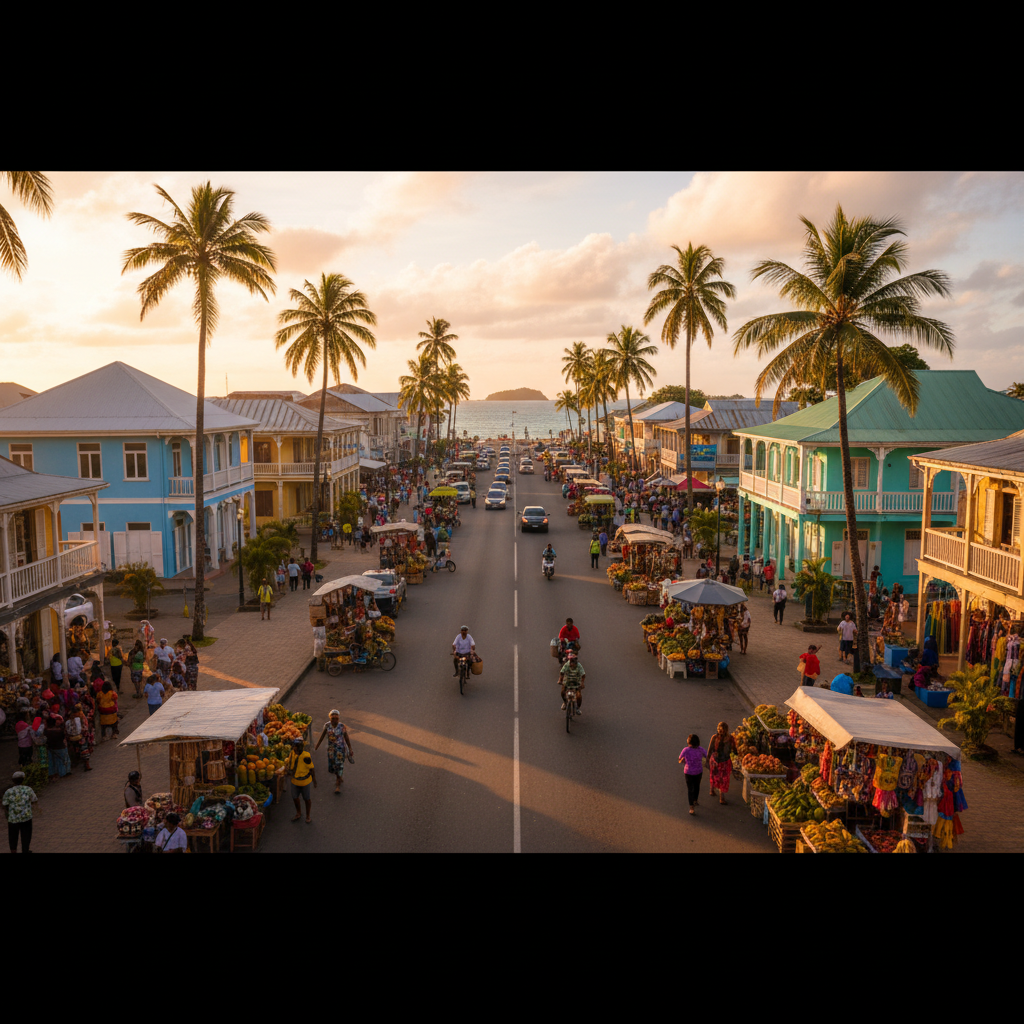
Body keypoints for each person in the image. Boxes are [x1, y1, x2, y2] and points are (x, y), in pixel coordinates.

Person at [315, 710, 355, 794]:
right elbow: (322, 736)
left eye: (336, 718)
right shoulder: (327, 725)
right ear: (330, 718)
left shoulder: (342, 726)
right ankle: (339, 776)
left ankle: (337, 785)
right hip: (331, 750)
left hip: (340, 750)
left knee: (339, 765)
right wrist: (317, 745)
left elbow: (346, 737)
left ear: (338, 718)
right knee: (332, 767)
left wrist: (350, 748)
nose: (335, 720)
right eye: (333, 718)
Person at [3, 771, 38, 854]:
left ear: (13, 781)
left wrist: (8, 813)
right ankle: (25, 850)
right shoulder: (28, 789)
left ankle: (13, 850)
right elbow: (34, 799)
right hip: (26, 816)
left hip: (13, 818)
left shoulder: (9, 791)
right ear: (23, 779)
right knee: (26, 834)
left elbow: (5, 804)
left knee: (13, 836)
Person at [288, 737, 317, 823]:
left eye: (297, 746)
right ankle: (298, 813)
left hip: (305, 782)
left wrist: (314, 781)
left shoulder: (306, 756)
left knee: (306, 799)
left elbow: (312, 769)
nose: (295, 748)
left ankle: (308, 816)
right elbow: (290, 764)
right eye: (294, 746)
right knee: (295, 798)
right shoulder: (292, 753)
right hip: (294, 781)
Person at [707, 722, 736, 805]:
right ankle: (712, 790)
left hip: (725, 761)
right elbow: (710, 748)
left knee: (723, 779)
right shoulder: (714, 737)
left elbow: (734, 749)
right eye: (719, 730)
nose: (720, 732)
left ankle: (721, 797)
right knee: (714, 776)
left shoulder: (730, 739)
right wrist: (708, 758)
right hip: (715, 761)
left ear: (726, 731)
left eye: (722, 730)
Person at [678, 734, 707, 815]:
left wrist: (683, 760)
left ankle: (691, 807)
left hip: (688, 773)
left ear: (689, 742)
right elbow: (707, 756)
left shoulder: (686, 750)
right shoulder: (701, 749)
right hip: (698, 772)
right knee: (697, 786)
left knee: (690, 789)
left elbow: (679, 759)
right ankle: (695, 800)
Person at [65, 704, 93, 771]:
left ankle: (81, 763)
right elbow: (85, 728)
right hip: (81, 737)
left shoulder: (69, 720)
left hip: (73, 738)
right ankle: (86, 764)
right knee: (84, 750)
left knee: (79, 750)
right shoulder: (80, 718)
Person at [557, 649, 585, 714]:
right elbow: (562, 672)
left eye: (573, 661)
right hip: (567, 681)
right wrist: (560, 680)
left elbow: (583, 675)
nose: (571, 663)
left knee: (578, 696)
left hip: (576, 683)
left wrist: (582, 683)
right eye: (571, 661)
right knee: (562, 692)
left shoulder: (579, 666)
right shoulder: (567, 665)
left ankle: (577, 708)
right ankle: (565, 702)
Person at [45, 712, 70, 782]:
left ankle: (55, 774)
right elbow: (63, 738)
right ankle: (64, 773)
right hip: (61, 747)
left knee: (55, 761)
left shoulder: (46, 731)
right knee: (64, 760)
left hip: (51, 748)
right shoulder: (60, 731)